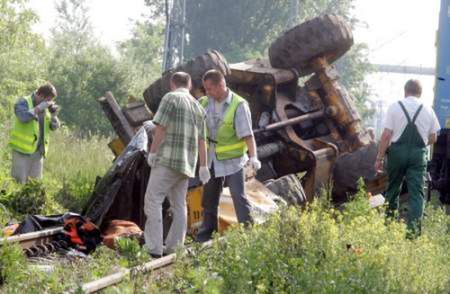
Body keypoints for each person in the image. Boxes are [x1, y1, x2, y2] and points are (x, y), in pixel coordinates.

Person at [144, 71, 209, 257]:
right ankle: (175, 247)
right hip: (187, 165)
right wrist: (203, 166)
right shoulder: (198, 107)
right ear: (189, 85)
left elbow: (161, 127)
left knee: (153, 200)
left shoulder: (170, 98)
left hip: (167, 160)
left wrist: (153, 152)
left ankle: (154, 248)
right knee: (179, 205)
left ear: (172, 84)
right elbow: (202, 140)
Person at [196, 69, 261, 242]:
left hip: (234, 162)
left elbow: (248, 135)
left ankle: (249, 234)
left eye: (209, 88)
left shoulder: (238, 105)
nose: (207, 92)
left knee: (238, 196)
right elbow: (199, 133)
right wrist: (202, 165)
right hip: (211, 160)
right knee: (209, 200)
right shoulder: (203, 103)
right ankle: (206, 238)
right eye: (205, 89)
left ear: (221, 85)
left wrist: (253, 156)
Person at [375, 79, 440, 237]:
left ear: (405, 91)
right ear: (420, 93)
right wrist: (421, 144)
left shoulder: (395, 107)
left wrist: (379, 157)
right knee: (416, 194)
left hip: (397, 153)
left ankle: (389, 228)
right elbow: (434, 137)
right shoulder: (428, 110)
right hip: (418, 156)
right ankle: (413, 234)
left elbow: (386, 135)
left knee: (393, 190)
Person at [9, 83, 60, 183]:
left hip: (38, 153)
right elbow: (23, 117)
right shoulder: (23, 102)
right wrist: (38, 108)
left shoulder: (46, 107)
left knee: (34, 186)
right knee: (18, 182)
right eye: (48, 100)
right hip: (22, 152)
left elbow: (54, 127)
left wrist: (54, 116)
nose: (49, 102)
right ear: (40, 95)